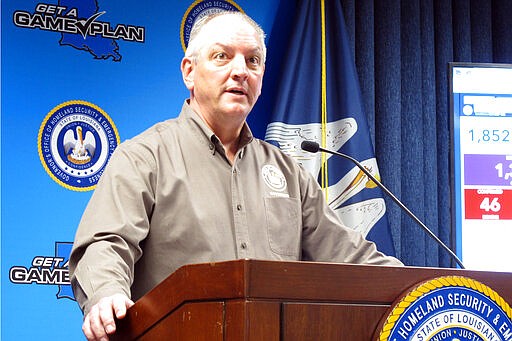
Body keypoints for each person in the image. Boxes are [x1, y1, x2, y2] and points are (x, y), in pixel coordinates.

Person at [69, 10, 403, 341]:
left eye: (253, 61)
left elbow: (352, 259)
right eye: (221, 57)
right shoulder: (145, 157)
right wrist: (106, 294)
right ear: (189, 71)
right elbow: (105, 244)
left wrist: (425, 290)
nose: (240, 71)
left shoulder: (289, 174)